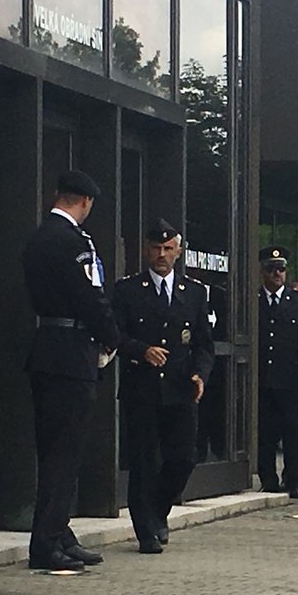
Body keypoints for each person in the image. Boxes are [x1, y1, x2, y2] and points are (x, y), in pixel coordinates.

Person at [22, 170, 120, 572]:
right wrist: (111, 335)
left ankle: (59, 531)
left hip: (48, 349)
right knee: (65, 453)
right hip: (71, 354)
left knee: (54, 451)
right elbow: (89, 296)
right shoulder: (72, 240)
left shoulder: (39, 236)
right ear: (84, 202)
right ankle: (46, 542)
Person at [112, 218, 215, 554]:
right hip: (141, 387)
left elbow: (204, 345)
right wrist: (141, 350)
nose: (161, 255)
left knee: (184, 457)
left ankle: (158, 511)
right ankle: (146, 532)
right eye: (156, 248)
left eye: (168, 249)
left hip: (180, 387)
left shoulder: (195, 292)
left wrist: (200, 374)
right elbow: (114, 335)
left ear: (178, 251)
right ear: (146, 250)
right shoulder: (127, 290)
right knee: (143, 461)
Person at [257, 246, 298, 498]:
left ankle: (294, 480)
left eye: (281, 269)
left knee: (293, 431)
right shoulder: (254, 300)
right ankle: (268, 479)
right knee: (266, 432)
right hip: (262, 378)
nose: (277, 274)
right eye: (271, 269)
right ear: (262, 271)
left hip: (291, 377)